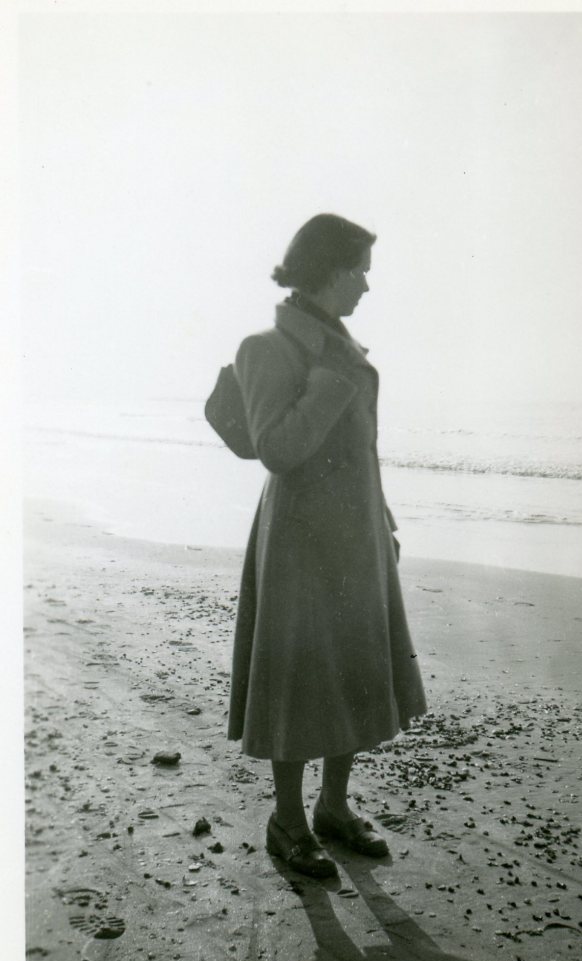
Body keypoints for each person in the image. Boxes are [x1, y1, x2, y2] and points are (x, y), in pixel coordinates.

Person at [228, 213, 427, 878]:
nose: (367, 285)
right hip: (299, 541)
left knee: (356, 668)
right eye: (360, 271)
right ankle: (286, 820)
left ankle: (333, 806)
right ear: (330, 271)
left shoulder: (343, 347)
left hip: (356, 534)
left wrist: (382, 517)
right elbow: (277, 450)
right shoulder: (266, 347)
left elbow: (359, 449)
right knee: (294, 677)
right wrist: (327, 383)